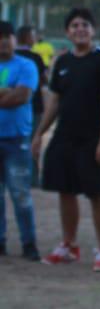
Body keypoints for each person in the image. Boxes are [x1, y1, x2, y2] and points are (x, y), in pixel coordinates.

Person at [33, 6, 100, 272]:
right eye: (74, 26)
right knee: (65, 191)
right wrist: (39, 134)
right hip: (65, 138)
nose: (80, 29)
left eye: (84, 25)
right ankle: (69, 245)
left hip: (93, 138)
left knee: (96, 194)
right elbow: (55, 102)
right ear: (67, 32)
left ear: (92, 30)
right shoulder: (62, 62)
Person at [0, 21, 40, 261]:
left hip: (17, 141)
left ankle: (29, 243)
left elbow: (22, 96)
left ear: (15, 40)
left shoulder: (27, 65)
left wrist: (10, 93)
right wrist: (7, 91)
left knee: (21, 194)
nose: (4, 40)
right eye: (0, 36)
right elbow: (12, 94)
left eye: (8, 36)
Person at [16, 24, 48, 183]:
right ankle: (33, 177)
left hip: (13, 107)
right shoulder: (35, 58)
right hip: (34, 105)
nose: (35, 38)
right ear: (27, 38)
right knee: (34, 140)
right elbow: (44, 80)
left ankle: (14, 175)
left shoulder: (11, 56)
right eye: (33, 35)